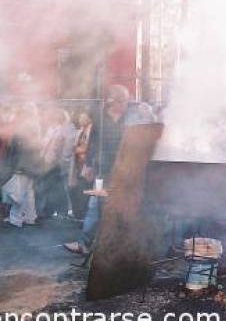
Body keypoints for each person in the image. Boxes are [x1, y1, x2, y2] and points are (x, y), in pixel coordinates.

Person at [64, 84, 154, 255]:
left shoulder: (133, 115)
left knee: (126, 207)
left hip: (127, 170)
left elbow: (146, 136)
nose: (120, 104)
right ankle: (85, 243)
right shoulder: (100, 117)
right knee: (95, 204)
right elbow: (93, 142)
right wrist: (89, 164)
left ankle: (125, 246)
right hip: (102, 169)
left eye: (123, 100)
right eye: (116, 100)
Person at [2, 103, 43, 227]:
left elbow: (16, 147)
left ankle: (16, 219)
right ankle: (30, 217)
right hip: (31, 165)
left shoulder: (23, 127)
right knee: (28, 193)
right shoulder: (35, 125)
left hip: (22, 165)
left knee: (17, 194)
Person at [37, 107, 71, 219]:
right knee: (49, 186)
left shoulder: (62, 130)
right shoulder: (51, 129)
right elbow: (44, 144)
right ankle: (49, 210)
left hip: (55, 163)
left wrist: (59, 159)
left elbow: (61, 147)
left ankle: (61, 211)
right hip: (47, 161)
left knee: (57, 187)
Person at [68, 110, 95, 220]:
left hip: (88, 165)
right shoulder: (79, 132)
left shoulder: (93, 132)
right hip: (77, 165)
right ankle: (79, 214)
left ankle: (85, 215)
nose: (80, 120)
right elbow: (75, 147)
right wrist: (77, 149)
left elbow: (90, 148)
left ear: (89, 119)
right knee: (78, 190)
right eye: (80, 118)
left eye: (82, 117)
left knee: (87, 190)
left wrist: (81, 150)